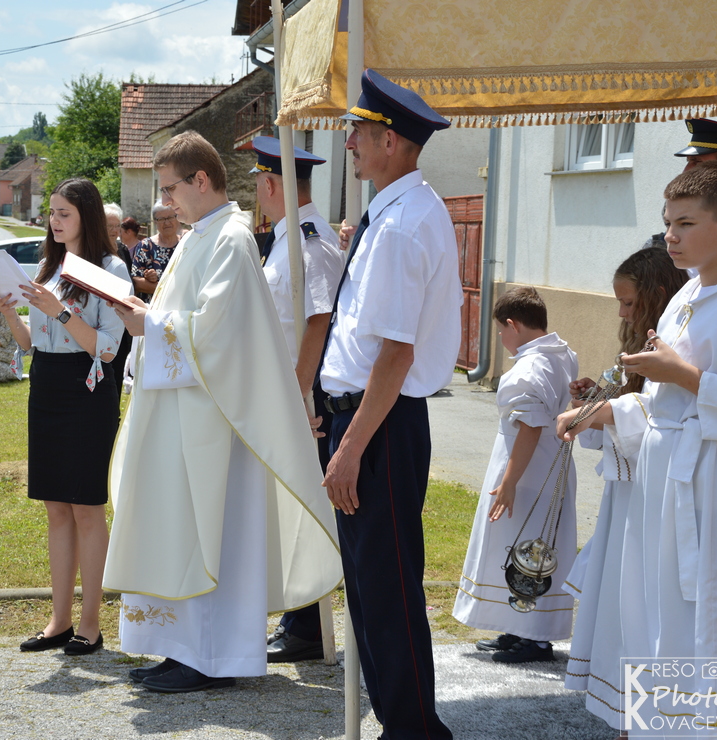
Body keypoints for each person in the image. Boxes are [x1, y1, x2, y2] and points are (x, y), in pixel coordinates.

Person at [105, 131, 341, 694]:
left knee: (212, 535)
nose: (165, 203)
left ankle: (212, 658)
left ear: (202, 180)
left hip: (217, 425)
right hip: (186, 417)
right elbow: (186, 314)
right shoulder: (199, 236)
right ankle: (180, 647)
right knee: (182, 531)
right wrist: (146, 312)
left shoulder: (231, 240)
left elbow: (216, 333)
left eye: (170, 189)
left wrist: (148, 324)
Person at [557, 161, 717, 730]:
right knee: (652, 618)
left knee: (705, 621)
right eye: (667, 223)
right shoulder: (685, 295)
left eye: (686, 223)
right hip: (661, 489)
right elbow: (664, 408)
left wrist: (684, 375)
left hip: (716, 490)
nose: (670, 237)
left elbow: (686, 388)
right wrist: (607, 411)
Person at [319, 70, 460, 737]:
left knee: (388, 592)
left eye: (359, 131)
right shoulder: (393, 213)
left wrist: (350, 447)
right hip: (364, 416)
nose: (349, 143)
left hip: (379, 422)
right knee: (370, 589)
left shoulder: (402, 224)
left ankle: (414, 731)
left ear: (392, 141)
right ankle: (399, 723)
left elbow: (395, 354)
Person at [0, 178, 130, 657]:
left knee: (86, 506)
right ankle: (60, 620)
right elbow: (31, 342)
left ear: (85, 216)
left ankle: (90, 624)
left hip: (87, 388)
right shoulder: (49, 267)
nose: (54, 221)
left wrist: (62, 312)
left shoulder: (110, 269)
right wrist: (10, 313)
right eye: (51, 212)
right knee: (55, 506)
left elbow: (108, 348)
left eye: (63, 213)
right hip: (47, 383)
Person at [561, 244, 687, 733]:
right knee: (618, 601)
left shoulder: (678, 343)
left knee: (641, 605)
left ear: (658, 295)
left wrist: (606, 412)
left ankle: (646, 715)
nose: (621, 313)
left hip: (657, 492)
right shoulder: (639, 345)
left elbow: (664, 418)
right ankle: (628, 715)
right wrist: (598, 398)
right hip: (627, 494)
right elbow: (634, 409)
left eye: (629, 303)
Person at [245, 135, 344, 663]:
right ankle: (299, 620)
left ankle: (307, 628)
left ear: (270, 184)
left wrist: (299, 395)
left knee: (305, 507)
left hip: (307, 402)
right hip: (288, 396)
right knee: (291, 507)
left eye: (258, 185)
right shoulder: (288, 239)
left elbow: (319, 321)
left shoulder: (309, 241)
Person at [451, 286, 578, 662]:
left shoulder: (531, 366)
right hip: (548, 465)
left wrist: (508, 483)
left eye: (501, 331)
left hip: (528, 472)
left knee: (529, 549)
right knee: (524, 546)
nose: (501, 338)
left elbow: (530, 427)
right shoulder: (561, 354)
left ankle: (535, 638)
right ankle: (518, 626)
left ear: (513, 325)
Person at [102, 203, 133, 377]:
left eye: (117, 226)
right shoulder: (94, 252)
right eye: (109, 226)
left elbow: (130, 281)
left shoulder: (123, 250)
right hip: (103, 321)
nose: (114, 231)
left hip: (122, 322)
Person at [130, 201, 181, 301]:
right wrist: (170, 291)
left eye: (170, 217)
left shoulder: (185, 244)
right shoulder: (145, 246)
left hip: (181, 305)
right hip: (153, 305)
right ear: (155, 222)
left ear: (177, 218)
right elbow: (136, 281)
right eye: (161, 219)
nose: (167, 223)